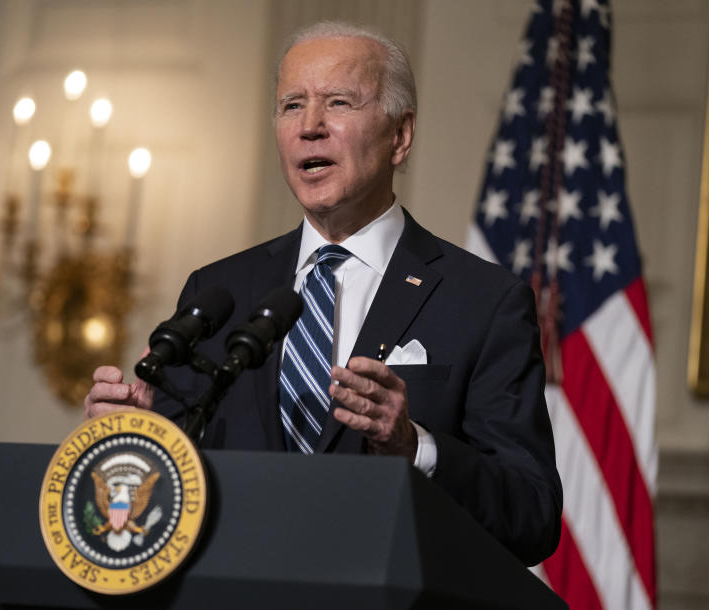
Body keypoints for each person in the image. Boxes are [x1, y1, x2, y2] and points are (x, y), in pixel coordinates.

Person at [84, 22, 561, 566]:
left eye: (338, 102)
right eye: (292, 105)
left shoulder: (483, 300)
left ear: (399, 137)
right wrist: (131, 441)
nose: (310, 126)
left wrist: (414, 447)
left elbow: (533, 514)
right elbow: (166, 497)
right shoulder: (220, 290)